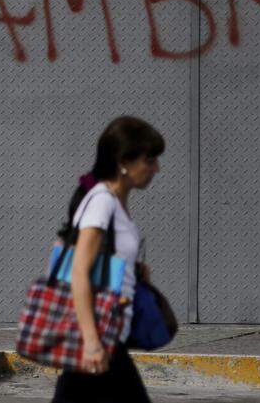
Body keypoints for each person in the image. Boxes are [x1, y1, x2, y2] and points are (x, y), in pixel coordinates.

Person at [52, 116, 163, 403]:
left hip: (110, 334)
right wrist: (90, 342)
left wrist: (134, 274)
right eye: (149, 160)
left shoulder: (115, 201)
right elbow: (79, 271)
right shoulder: (102, 201)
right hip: (98, 334)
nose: (155, 168)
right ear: (123, 161)